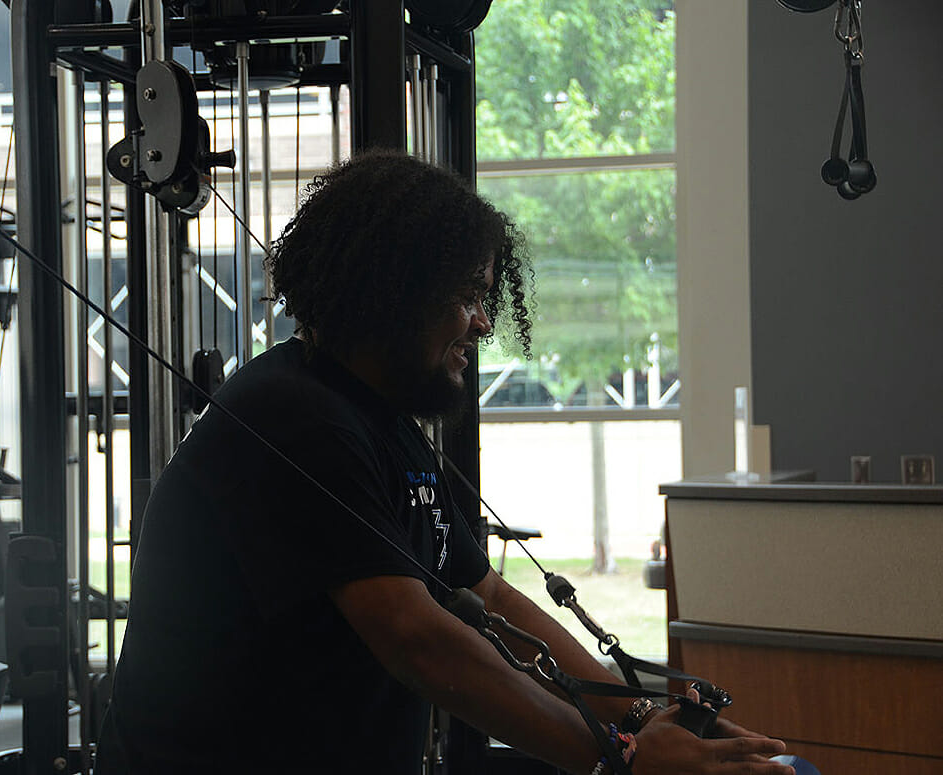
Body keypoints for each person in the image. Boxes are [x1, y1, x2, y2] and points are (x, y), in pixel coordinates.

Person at [100, 150, 796, 774]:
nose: (484, 322)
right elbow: (417, 637)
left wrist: (640, 717)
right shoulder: (295, 415)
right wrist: (621, 761)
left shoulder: (379, 420)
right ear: (394, 290)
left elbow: (486, 599)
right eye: (467, 295)